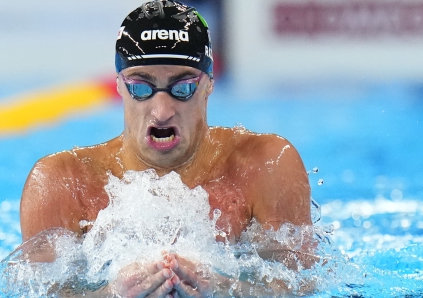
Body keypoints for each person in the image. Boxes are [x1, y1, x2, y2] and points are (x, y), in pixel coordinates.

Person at [19, 0, 313, 296]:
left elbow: (303, 287)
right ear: (120, 85)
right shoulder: (63, 183)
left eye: (182, 87)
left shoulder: (265, 165)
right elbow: (34, 291)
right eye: (141, 88)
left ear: (209, 83)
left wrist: (225, 288)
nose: (161, 111)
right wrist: (110, 294)